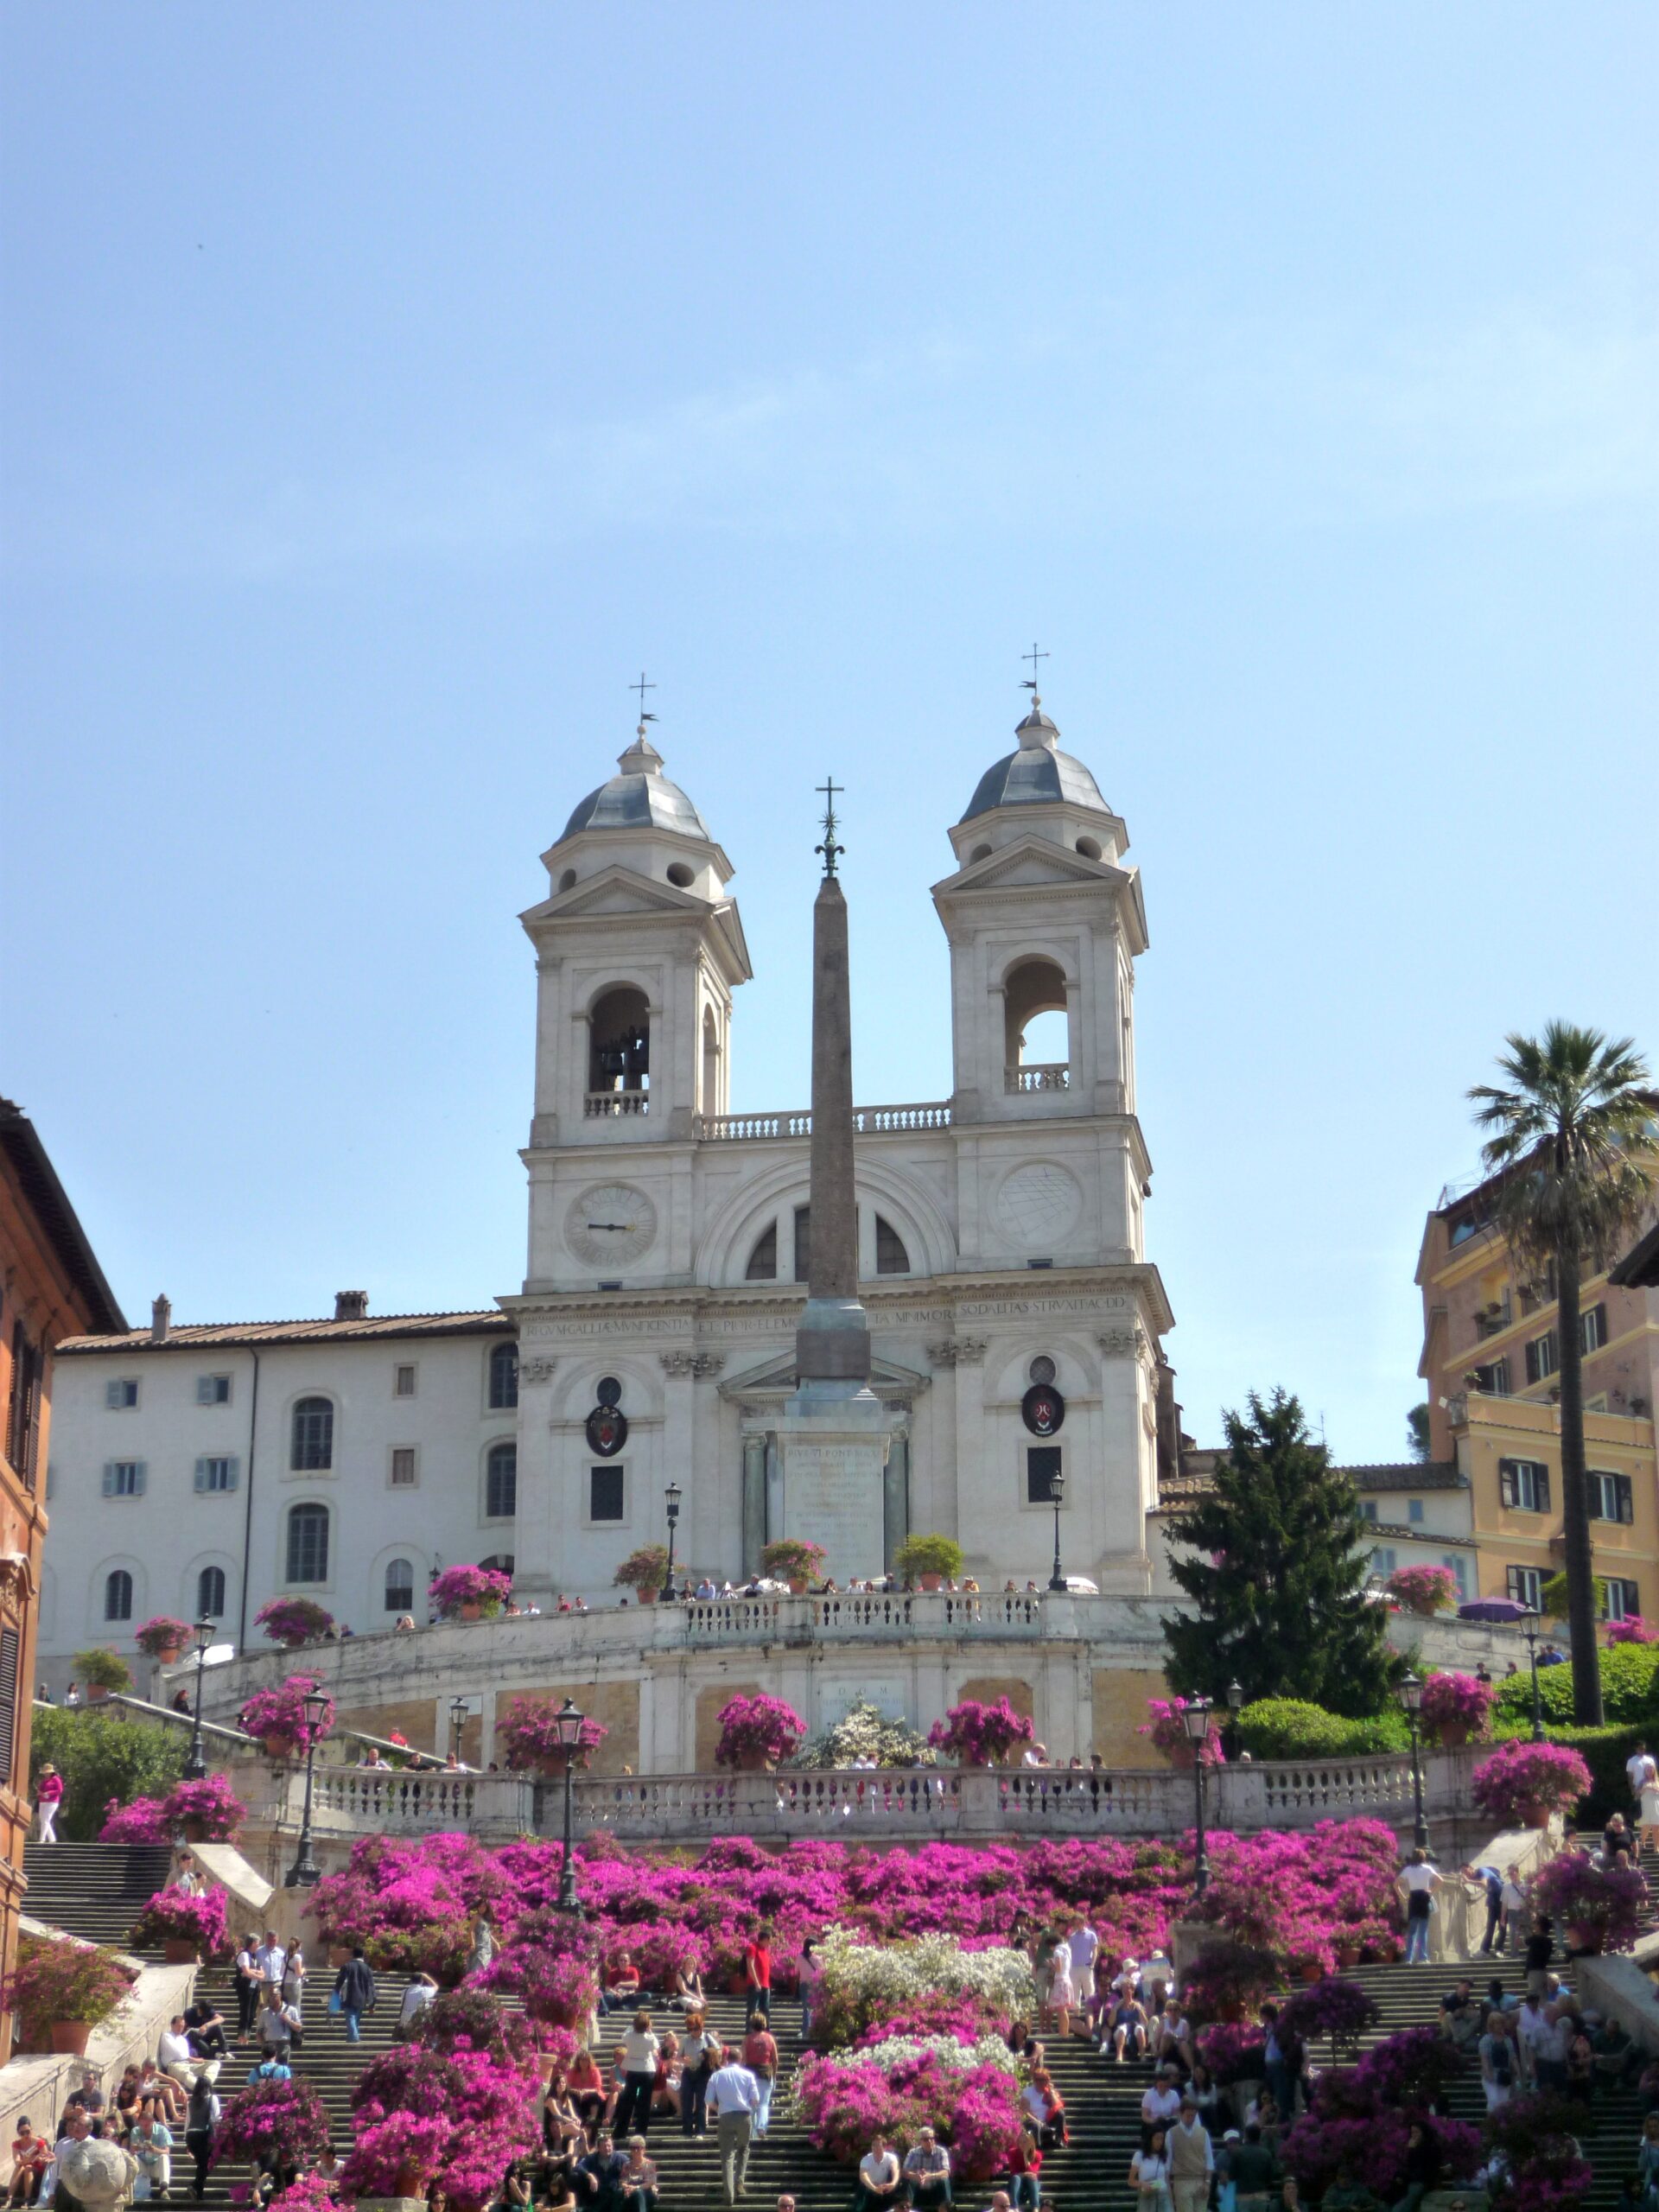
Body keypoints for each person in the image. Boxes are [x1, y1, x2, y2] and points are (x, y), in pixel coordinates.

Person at [705, 2048, 760, 2209]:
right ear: (741, 2059)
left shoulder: (716, 2075)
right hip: (744, 2116)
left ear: (727, 2059)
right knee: (744, 2149)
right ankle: (739, 2182)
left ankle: (728, 2194)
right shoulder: (748, 2075)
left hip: (725, 2116)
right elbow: (756, 2099)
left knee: (727, 2156)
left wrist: (719, 2108)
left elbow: (708, 2100)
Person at [610, 2013, 659, 2140]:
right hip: (647, 2070)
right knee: (644, 2104)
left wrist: (634, 2026)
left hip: (632, 2069)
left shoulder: (629, 2036)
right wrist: (649, 2030)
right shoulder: (650, 2038)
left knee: (628, 2102)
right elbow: (657, 2045)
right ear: (647, 2026)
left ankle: (620, 2132)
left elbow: (624, 2035)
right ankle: (641, 2133)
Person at [1396, 1849, 1443, 1966]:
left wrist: (1402, 1897)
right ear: (1423, 1857)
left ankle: (1409, 1959)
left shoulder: (1408, 1869)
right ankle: (1423, 1957)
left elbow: (1395, 1884)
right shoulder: (1427, 1868)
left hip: (1413, 1897)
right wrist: (1431, 1891)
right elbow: (1441, 1880)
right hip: (1424, 1896)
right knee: (1423, 1929)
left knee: (1412, 1931)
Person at [1166, 2098, 1213, 2212]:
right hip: (1182, 2180)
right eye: (1188, 2115)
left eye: (1193, 2115)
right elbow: (1167, 2161)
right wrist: (1168, 2186)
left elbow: (1209, 2159)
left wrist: (1207, 2182)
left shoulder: (1203, 2132)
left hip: (1201, 2180)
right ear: (1181, 2114)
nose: (1190, 2118)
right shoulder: (1172, 2133)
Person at [742, 2012, 778, 2140]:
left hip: (750, 2073)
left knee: (751, 2104)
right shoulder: (769, 2039)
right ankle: (761, 2128)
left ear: (752, 2024)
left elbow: (743, 2060)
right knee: (763, 2104)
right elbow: (775, 2059)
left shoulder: (747, 2039)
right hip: (766, 2073)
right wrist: (774, 2074)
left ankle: (751, 2133)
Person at [1389, 2121, 1440, 2212]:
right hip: (1412, 2179)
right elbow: (1409, 2166)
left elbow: (1422, 2167)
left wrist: (1412, 2151)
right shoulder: (1415, 2147)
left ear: (1423, 2133)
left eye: (1417, 2132)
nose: (1414, 2135)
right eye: (1412, 2132)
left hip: (1423, 2181)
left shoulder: (1431, 2147)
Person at [130, 2103, 173, 2204]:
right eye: (142, 2125)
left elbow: (167, 2151)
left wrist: (154, 2150)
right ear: (139, 2122)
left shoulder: (162, 2130)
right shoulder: (135, 2131)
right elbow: (132, 2149)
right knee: (133, 2157)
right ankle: (132, 2187)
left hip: (155, 2165)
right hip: (142, 2165)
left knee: (164, 2157)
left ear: (153, 2122)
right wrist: (141, 2146)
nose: (144, 2127)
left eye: (147, 2125)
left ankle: (164, 2188)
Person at [1227, 2126, 1277, 2212]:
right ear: (1259, 2136)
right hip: (1261, 2196)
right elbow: (1270, 2179)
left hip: (1243, 2197)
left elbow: (1231, 2176)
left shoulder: (1237, 2153)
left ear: (1246, 2136)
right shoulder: (1266, 2154)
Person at [333, 1945, 376, 2044]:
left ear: (352, 1955)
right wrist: (372, 2002)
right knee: (355, 2018)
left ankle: (354, 2038)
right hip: (362, 1998)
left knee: (351, 2017)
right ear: (363, 1955)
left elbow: (339, 1982)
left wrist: (336, 1993)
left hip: (349, 1996)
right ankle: (351, 2037)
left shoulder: (347, 1966)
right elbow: (371, 1986)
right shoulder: (367, 1968)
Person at [903, 2128, 952, 2210]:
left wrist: (930, 2176)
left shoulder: (941, 2152)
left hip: (936, 2191)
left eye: (932, 2138)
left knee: (944, 2180)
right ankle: (907, 2209)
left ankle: (947, 2210)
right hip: (919, 2191)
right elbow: (904, 2172)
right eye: (926, 2139)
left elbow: (946, 2172)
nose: (929, 2141)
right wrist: (916, 2176)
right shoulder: (913, 2153)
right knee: (909, 2181)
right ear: (920, 2141)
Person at [1478, 2011, 1517, 2111]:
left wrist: (1518, 2071)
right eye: (1496, 2023)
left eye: (1500, 2023)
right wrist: (1488, 2072)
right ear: (1491, 2025)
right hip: (1491, 2074)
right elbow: (1484, 2058)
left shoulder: (1508, 2040)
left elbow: (1513, 2057)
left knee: (1504, 2103)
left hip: (1504, 2076)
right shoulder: (1486, 2040)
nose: (1499, 2026)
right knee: (1493, 2100)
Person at [1462, 1865, 1504, 1955]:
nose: (1466, 1874)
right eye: (1463, 1873)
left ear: (1471, 1868)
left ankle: (1499, 1950)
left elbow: (1483, 1883)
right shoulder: (1477, 1876)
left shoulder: (1481, 1871)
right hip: (1493, 1899)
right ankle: (1485, 1950)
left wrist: (1468, 1881)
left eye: (1466, 1871)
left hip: (1501, 1899)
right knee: (1490, 1925)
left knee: (1502, 1925)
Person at [1128, 2128, 1173, 2212]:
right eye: (1157, 2138)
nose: (1160, 2142)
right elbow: (1131, 2181)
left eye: (1162, 2139)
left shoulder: (1164, 2157)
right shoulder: (1139, 2155)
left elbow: (1166, 2180)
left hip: (1162, 2196)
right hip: (1147, 2196)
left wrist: (1171, 2204)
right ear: (1150, 2139)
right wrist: (1142, 2184)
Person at [1141, 2067, 1183, 2152]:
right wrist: (1155, 2120)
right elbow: (1145, 2116)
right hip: (1153, 2123)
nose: (1163, 2088)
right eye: (1161, 2086)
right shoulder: (1149, 2094)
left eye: (1166, 2086)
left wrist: (1169, 2118)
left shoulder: (1174, 2095)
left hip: (1168, 2123)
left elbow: (1176, 2114)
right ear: (1156, 2084)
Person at [8, 2121, 48, 2209]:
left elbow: (44, 2158)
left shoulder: (39, 2142)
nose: (26, 2135)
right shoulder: (17, 2144)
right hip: (24, 2168)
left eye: (28, 2131)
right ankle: (9, 2198)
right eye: (22, 2133)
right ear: (18, 2133)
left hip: (37, 2168)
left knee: (28, 2167)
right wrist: (28, 2159)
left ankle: (27, 2199)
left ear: (31, 2130)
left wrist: (32, 2158)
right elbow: (17, 2161)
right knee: (21, 2167)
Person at [856, 2135, 902, 2212]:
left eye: (878, 2145)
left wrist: (893, 2184)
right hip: (869, 2186)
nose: (875, 2148)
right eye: (873, 2145)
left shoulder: (891, 2157)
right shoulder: (866, 2159)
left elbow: (896, 2171)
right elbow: (863, 2175)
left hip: (884, 2187)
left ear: (884, 2147)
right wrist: (874, 2188)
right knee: (862, 2193)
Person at [1021, 2070, 1065, 2152]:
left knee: (1060, 2113)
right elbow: (1025, 2111)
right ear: (1034, 2080)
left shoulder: (1050, 2092)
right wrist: (1037, 2121)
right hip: (1033, 2120)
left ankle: (1058, 2139)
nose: (1040, 2082)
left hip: (1047, 2121)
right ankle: (1037, 2148)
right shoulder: (1027, 2092)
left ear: (1048, 2080)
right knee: (1035, 2125)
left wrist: (1051, 2092)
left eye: (1043, 2079)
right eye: (1037, 2079)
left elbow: (1058, 2106)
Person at [232, 1936, 262, 2044]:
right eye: (258, 1943)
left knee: (252, 2013)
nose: (259, 1945)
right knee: (245, 2012)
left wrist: (255, 1973)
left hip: (254, 1987)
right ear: (253, 1943)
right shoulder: (244, 1955)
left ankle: (247, 2036)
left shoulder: (255, 1956)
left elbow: (262, 1972)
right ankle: (242, 2038)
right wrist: (257, 1974)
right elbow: (246, 1972)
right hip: (245, 1987)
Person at [1007, 2121, 1042, 2211]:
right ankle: (1015, 2208)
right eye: (1021, 2142)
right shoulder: (1012, 2152)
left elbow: (1033, 2173)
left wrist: (1025, 2156)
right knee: (1016, 2178)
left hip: (1031, 2185)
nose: (1022, 2144)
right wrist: (1025, 2174)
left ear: (1031, 2143)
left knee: (1033, 2178)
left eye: (1025, 2142)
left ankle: (1035, 2208)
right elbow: (1013, 2172)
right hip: (1017, 2184)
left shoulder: (1037, 2155)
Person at [743, 1929, 773, 2024]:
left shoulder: (765, 1950)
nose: (770, 1943)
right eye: (769, 1940)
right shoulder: (753, 1948)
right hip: (754, 1985)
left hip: (765, 1985)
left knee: (765, 2009)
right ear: (764, 1939)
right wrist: (756, 1982)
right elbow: (750, 1965)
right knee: (752, 2009)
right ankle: (750, 2032)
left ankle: (765, 2032)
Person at [620, 2139, 656, 2212]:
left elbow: (651, 2182)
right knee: (618, 2192)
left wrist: (636, 2187)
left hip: (647, 2193)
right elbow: (622, 2181)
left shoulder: (649, 2164)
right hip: (631, 2191)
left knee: (638, 2193)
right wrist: (627, 2187)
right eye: (633, 2148)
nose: (635, 2151)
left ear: (644, 2149)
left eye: (638, 2148)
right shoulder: (627, 2165)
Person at [398, 1970, 440, 2035]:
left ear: (411, 1981)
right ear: (421, 1981)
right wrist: (426, 1977)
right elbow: (436, 1986)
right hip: (419, 2022)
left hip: (405, 2023)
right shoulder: (423, 1991)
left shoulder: (404, 1992)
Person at [33, 1767, 63, 1844]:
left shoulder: (56, 1779)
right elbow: (41, 1789)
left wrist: (49, 1793)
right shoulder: (44, 1781)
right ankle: (52, 1839)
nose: (45, 1774)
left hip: (52, 1802)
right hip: (43, 1802)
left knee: (46, 1819)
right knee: (43, 1820)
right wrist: (40, 1793)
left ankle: (42, 1839)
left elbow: (59, 1790)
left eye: (47, 1772)